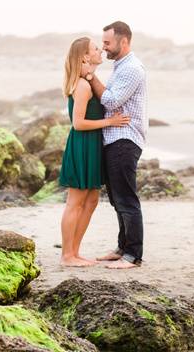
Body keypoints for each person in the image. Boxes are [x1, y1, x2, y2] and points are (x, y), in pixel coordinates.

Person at [58, 37, 130, 267]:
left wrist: (90, 74)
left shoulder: (87, 81)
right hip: (82, 145)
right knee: (75, 202)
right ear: (85, 57)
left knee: (91, 201)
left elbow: (107, 96)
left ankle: (75, 252)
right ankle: (67, 255)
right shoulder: (81, 86)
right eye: (96, 48)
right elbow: (78, 123)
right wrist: (111, 122)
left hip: (92, 145)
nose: (101, 50)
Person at [84, 21, 148, 269]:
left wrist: (90, 76)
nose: (104, 47)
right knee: (117, 200)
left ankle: (133, 255)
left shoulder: (132, 68)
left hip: (125, 139)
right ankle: (123, 247)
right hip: (115, 138)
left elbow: (110, 101)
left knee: (127, 200)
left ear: (124, 42)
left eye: (108, 43)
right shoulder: (121, 67)